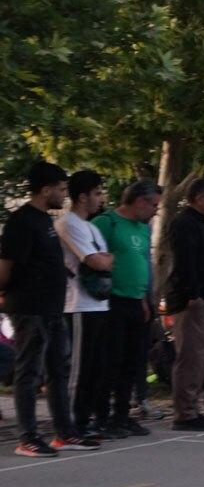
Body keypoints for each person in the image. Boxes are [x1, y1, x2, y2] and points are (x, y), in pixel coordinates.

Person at [1, 161, 96, 456]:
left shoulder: (45, 220)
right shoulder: (22, 222)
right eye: (61, 189)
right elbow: (5, 268)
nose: (65, 195)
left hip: (52, 308)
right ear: (45, 190)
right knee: (29, 372)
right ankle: (27, 437)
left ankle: (64, 432)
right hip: (30, 309)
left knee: (58, 370)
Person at [92, 181, 159, 437]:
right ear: (140, 201)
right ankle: (101, 416)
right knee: (111, 361)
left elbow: (141, 262)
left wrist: (144, 299)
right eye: (153, 205)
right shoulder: (106, 223)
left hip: (136, 301)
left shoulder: (143, 228)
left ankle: (122, 415)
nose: (155, 211)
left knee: (133, 361)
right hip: (112, 302)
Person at [164, 177, 204, 431]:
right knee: (190, 357)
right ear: (199, 199)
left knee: (200, 357)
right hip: (193, 302)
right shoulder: (185, 224)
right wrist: (193, 295)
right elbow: (185, 262)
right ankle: (185, 413)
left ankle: (193, 407)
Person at [57, 169, 114, 438]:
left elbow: (107, 259)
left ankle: (86, 418)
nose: (101, 199)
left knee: (95, 367)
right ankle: (71, 424)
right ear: (82, 197)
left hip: (99, 305)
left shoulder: (91, 227)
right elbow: (96, 261)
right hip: (78, 304)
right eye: (97, 193)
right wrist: (105, 259)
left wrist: (106, 259)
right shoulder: (68, 223)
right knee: (79, 369)